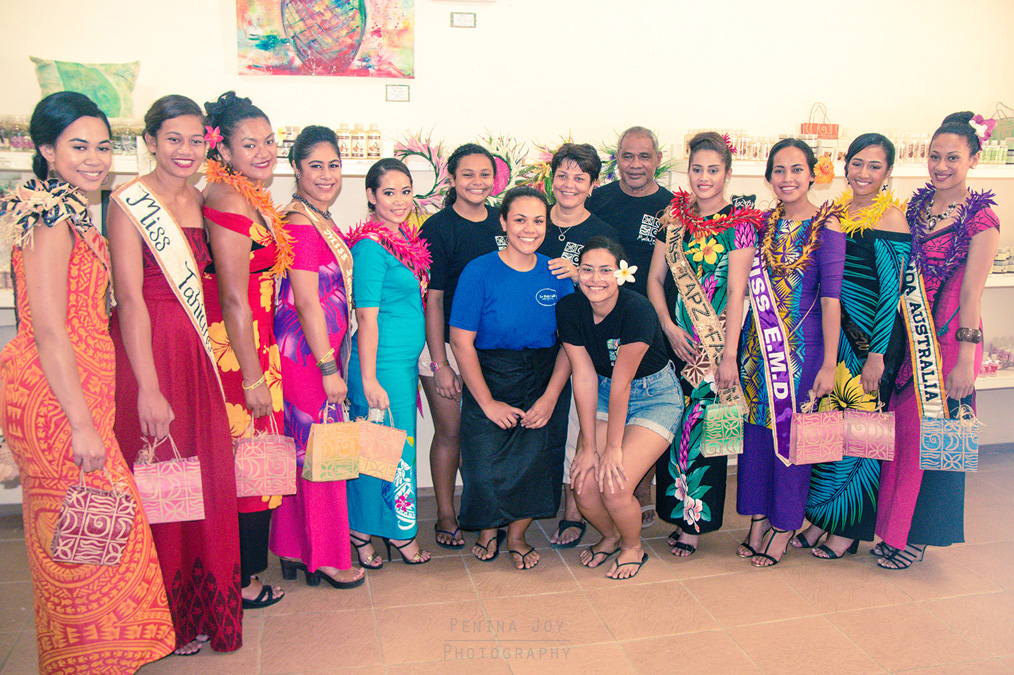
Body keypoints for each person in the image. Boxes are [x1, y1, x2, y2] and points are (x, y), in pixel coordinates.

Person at [0, 92, 175, 673]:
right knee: (91, 539)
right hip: (58, 401)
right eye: (79, 147)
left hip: (75, 392)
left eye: (104, 146)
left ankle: (92, 658)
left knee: (86, 536)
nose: (96, 159)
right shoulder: (49, 218)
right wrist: (80, 423)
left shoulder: (68, 213)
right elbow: (47, 330)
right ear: (46, 151)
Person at [108, 95, 243, 655]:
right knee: (162, 476)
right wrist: (148, 387)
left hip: (196, 346)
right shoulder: (126, 201)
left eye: (195, 140)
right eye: (173, 139)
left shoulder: (206, 197)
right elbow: (129, 298)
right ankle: (168, 617)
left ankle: (206, 607)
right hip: (150, 347)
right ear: (150, 141)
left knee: (203, 476)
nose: (185, 151)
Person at [875, 112, 999, 570]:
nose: (941, 166)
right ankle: (892, 527)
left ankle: (922, 534)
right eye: (935, 156)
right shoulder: (915, 208)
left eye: (953, 158)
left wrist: (965, 361)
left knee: (941, 438)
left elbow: (972, 293)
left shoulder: (982, 220)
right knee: (902, 437)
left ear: (973, 159)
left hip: (951, 340)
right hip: (909, 334)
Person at [792, 134, 911, 560]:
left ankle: (847, 532)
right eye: (857, 164)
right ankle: (820, 519)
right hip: (835, 337)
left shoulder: (893, 219)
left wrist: (877, 354)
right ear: (846, 167)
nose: (863, 173)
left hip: (871, 341)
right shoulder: (837, 213)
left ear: (888, 172)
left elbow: (889, 293)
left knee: (862, 438)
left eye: (874, 166)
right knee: (829, 430)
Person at [646, 132, 762, 557]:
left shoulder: (741, 226)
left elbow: (737, 293)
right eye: (697, 169)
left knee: (714, 433)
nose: (704, 178)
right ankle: (675, 514)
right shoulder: (672, 220)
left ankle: (697, 525)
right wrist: (667, 327)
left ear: (728, 174)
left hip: (719, 348)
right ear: (687, 170)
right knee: (674, 428)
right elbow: (655, 280)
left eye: (714, 170)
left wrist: (729, 356)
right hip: (677, 345)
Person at [450, 186, 573, 570]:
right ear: (503, 222)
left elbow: (571, 345)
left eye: (538, 220)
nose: (529, 229)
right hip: (489, 372)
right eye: (519, 219)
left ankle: (517, 535)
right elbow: (460, 340)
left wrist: (551, 396)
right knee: (483, 458)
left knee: (536, 460)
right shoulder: (479, 270)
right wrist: (486, 402)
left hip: (544, 374)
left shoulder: (557, 272)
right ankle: (488, 530)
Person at [737, 138, 845, 567]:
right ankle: (758, 520)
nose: (787, 179)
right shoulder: (760, 224)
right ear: (768, 177)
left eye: (796, 169)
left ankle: (785, 526)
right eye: (779, 171)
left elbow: (832, 300)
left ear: (812, 173)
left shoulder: (828, 226)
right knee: (757, 435)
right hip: (755, 347)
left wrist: (829, 363)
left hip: (803, 351)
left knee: (793, 438)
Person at [202, 91, 290, 608]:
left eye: (269, 141)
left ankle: (245, 572)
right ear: (225, 151)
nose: (263, 152)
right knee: (250, 461)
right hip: (238, 348)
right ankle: (241, 579)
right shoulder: (228, 198)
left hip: (257, 340)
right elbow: (233, 295)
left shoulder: (248, 193)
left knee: (259, 459)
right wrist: (253, 377)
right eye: (249, 144)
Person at [268, 126, 365, 589]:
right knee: (323, 452)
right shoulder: (302, 224)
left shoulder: (311, 216)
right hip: (309, 356)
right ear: (296, 169)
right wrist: (329, 368)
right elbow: (306, 300)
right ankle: (327, 555)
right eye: (315, 166)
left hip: (308, 352)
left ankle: (292, 548)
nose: (326, 175)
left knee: (301, 449)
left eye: (333, 165)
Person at [559, 236, 684, 579]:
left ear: (622, 274)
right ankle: (610, 535)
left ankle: (632, 546)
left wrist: (610, 448)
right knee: (583, 482)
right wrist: (587, 445)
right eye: (587, 270)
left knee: (614, 485)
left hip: (654, 396)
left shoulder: (637, 309)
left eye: (605, 271)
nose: (595, 279)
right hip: (601, 392)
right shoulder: (569, 309)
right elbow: (584, 378)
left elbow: (623, 383)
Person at [345, 158, 432, 567]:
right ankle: (384, 535)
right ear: (370, 196)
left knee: (387, 451)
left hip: (400, 367)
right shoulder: (369, 247)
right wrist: (369, 379)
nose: (399, 200)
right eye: (388, 192)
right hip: (379, 368)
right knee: (382, 453)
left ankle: (367, 530)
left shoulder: (400, 240)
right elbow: (366, 316)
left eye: (405, 190)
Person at [588, 126, 674, 530]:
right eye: (627, 156)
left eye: (644, 156)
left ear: (657, 159)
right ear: (616, 159)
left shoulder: (673, 206)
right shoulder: (600, 200)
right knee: (611, 396)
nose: (635, 164)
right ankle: (595, 499)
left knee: (648, 407)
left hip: (656, 324)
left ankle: (640, 496)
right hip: (606, 322)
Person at [418, 144, 502, 550]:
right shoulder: (437, 227)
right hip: (445, 347)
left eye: (484, 174)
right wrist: (440, 364)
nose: (477, 182)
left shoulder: (504, 222)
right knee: (450, 432)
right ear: (451, 179)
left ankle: (485, 510)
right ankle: (446, 514)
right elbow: (433, 298)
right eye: (467, 174)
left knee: (484, 434)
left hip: (491, 348)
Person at [538, 142, 617, 549]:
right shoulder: (532, 215)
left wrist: (579, 277)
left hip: (578, 345)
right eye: (563, 176)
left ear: (593, 184)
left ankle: (574, 507)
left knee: (576, 425)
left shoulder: (599, 231)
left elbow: (612, 290)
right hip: (529, 340)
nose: (569, 185)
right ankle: (526, 502)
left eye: (579, 178)